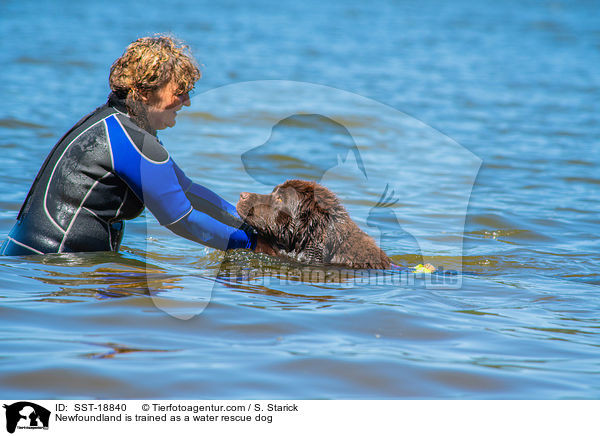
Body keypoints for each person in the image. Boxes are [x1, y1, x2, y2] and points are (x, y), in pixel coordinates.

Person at [1, 35, 258, 256]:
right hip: (53, 266)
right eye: (179, 92)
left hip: (29, 259)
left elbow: (187, 189)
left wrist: (250, 224)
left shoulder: (115, 125)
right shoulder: (130, 139)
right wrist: (253, 244)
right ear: (145, 93)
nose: (187, 101)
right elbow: (182, 219)